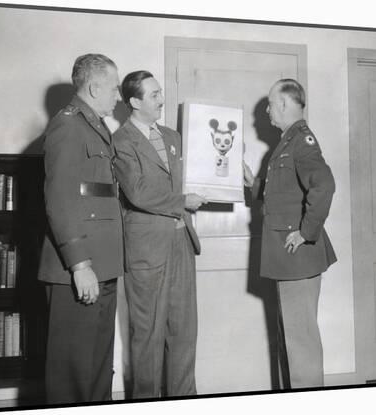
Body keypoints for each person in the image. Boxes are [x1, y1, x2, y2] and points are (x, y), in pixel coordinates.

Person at [113, 70, 207, 398]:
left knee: (184, 332)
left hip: (181, 241)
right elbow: (137, 192)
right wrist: (182, 202)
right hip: (147, 250)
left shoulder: (172, 137)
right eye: (154, 95)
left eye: (160, 92)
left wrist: (229, 168)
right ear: (135, 102)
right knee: (148, 336)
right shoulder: (121, 141)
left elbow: (199, 171)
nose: (161, 100)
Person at [38, 53, 124, 404]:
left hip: (101, 265)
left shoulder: (94, 126)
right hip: (80, 267)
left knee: (96, 367)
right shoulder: (68, 126)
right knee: (73, 373)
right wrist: (80, 265)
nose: (118, 96)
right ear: (94, 86)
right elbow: (59, 200)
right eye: (114, 88)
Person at [244, 78, 337, 389]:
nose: (268, 110)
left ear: (284, 104)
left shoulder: (301, 140)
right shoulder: (287, 141)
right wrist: (252, 184)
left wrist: (305, 232)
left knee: (301, 345)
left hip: (298, 257)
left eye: (271, 104)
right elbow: (284, 194)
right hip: (288, 259)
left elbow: (323, 185)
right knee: (292, 343)